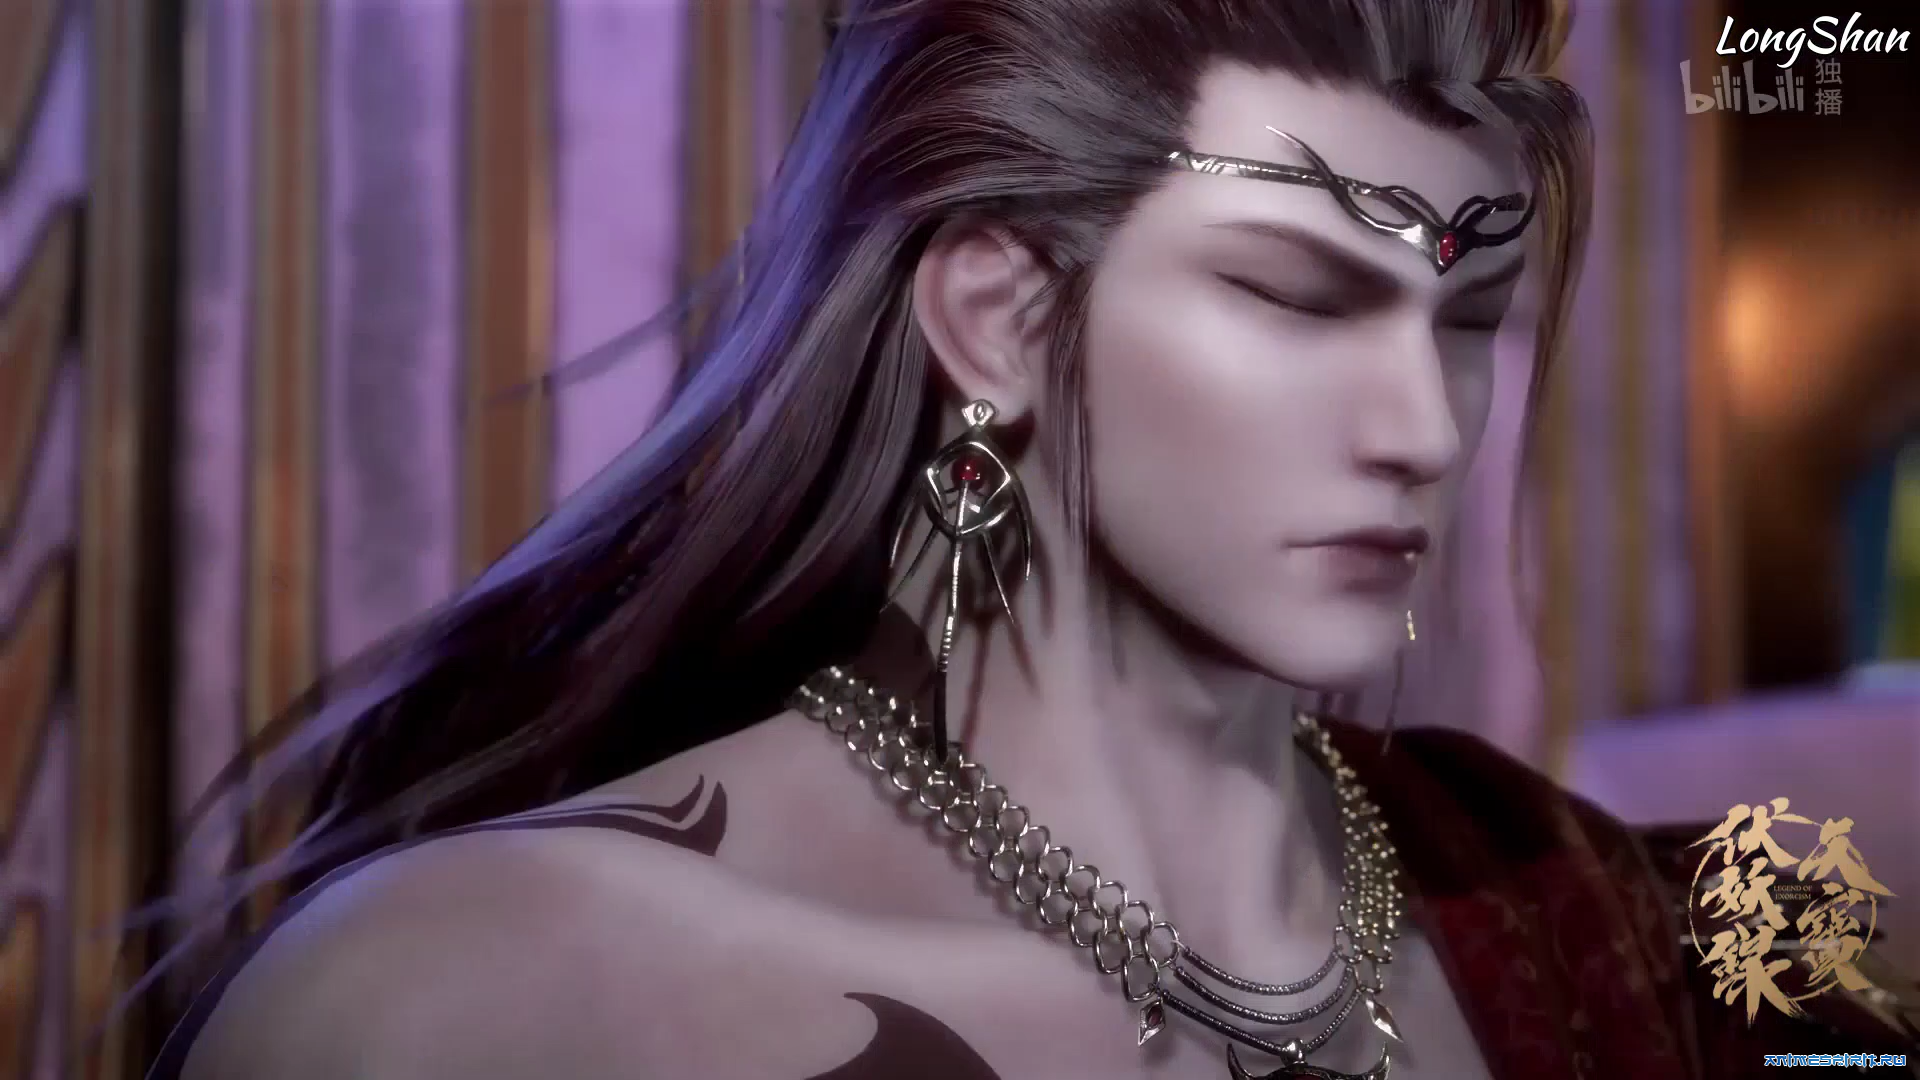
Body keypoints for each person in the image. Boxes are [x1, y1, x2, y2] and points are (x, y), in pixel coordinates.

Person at [150, 1, 1916, 1077]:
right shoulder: (464, 999)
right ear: (999, 316)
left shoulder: (1616, 931)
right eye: (1297, 300)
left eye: (1468, 321)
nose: (1425, 429)